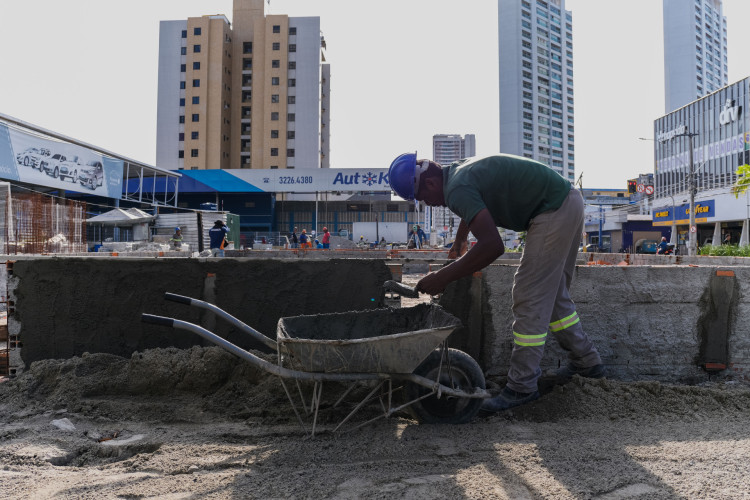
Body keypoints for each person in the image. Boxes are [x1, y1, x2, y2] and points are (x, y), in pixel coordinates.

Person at [388, 152, 605, 411]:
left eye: (423, 198)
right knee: (554, 296)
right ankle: (588, 363)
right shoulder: (456, 173)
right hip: (567, 201)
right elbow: (477, 202)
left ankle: (521, 387)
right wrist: (461, 238)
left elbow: (493, 246)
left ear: (431, 184)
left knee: (529, 295)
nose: (429, 204)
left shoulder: (456, 188)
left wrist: (442, 277)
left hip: (552, 210)